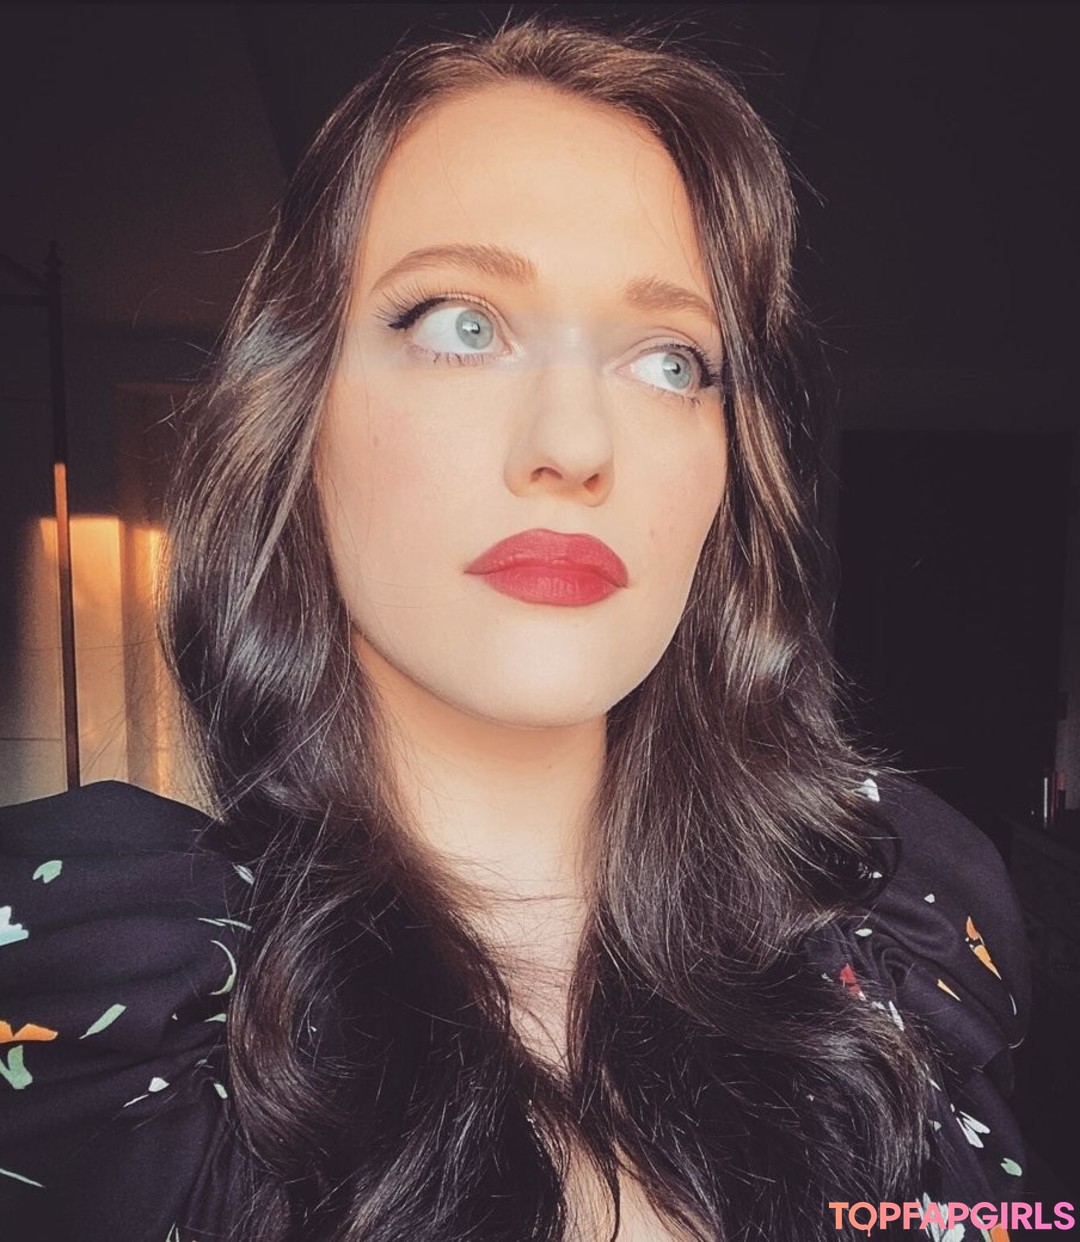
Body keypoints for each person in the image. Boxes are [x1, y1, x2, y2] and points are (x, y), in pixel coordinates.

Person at [0, 17, 1029, 1242]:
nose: (574, 444)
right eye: (461, 324)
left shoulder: (900, 949)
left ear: (727, 472)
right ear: (299, 417)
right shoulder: (91, 1019)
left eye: (670, 361)